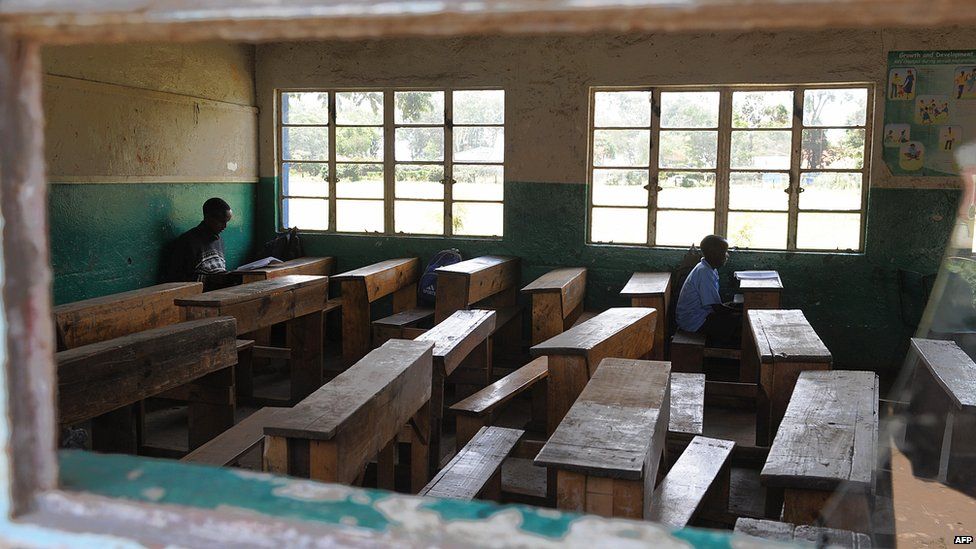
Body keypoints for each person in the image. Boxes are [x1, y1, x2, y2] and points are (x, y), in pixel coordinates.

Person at [675, 235, 741, 348]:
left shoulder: (708, 268)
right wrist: (739, 311)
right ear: (713, 254)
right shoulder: (704, 272)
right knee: (740, 323)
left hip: (699, 315)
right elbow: (717, 308)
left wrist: (735, 307)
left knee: (736, 313)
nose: (727, 255)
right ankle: (723, 356)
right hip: (693, 321)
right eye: (724, 252)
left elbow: (714, 305)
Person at [168, 197, 234, 290]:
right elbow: (177, 281)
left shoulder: (219, 241)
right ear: (208, 217)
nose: (225, 226)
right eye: (221, 221)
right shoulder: (188, 241)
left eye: (227, 222)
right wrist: (212, 279)